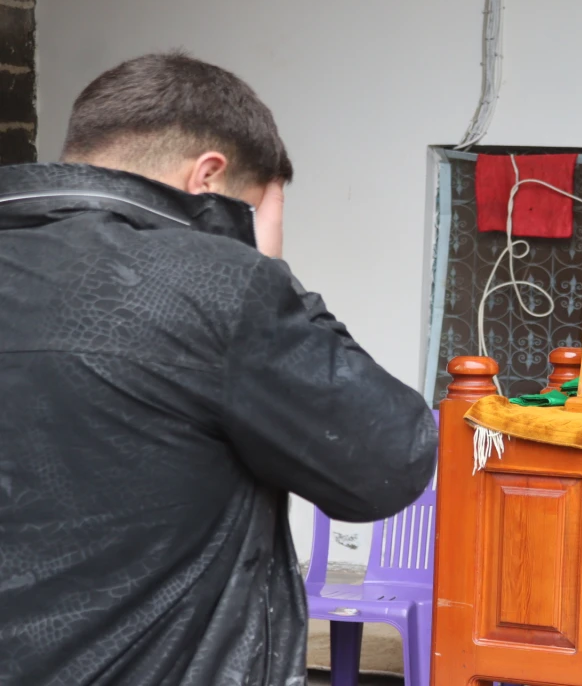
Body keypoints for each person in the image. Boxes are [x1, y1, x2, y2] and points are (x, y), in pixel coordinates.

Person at [0, 53, 436, 685]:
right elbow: (387, 462)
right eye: (254, 208)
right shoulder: (223, 284)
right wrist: (268, 272)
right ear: (208, 176)